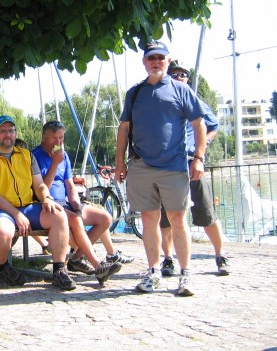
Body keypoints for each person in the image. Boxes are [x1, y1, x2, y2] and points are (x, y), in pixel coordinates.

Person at [115, 41, 207, 296]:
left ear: (168, 61)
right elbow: (124, 128)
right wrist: (120, 161)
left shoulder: (181, 90)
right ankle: (153, 271)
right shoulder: (135, 93)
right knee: (149, 219)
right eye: (151, 58)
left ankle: (185, 274)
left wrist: (198, 158)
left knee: (178, 219)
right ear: (144, 62)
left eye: (160, 58)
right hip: (141, 165)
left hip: (173, 166)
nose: (156, 62)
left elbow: (199, 124)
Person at [0, 115, 76, 291]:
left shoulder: (27, 155)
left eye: (11, 130)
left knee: (59, 215)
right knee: (1, 232)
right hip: (1, 209)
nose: (8, 134)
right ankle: (4, 268)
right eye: (2, 131)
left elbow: (39, 185)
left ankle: (59, 270)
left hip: (29, 206)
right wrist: (16, 214)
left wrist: (46, 197)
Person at [32, 120, 128, 284]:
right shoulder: (35, 156)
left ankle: (76, 259)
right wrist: (54, 164)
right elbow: (42, 188)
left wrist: (77, 205)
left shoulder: (64, 156)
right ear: (44, 138)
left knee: (105, 218)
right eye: (54, 138)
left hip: (65, 203)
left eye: (61, 138)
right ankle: (98, 267)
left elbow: (70, 186)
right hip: (46, 204)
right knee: (76, 220)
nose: (58, 142)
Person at [160, 60, 230, 276]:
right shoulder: (162, 100)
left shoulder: (194, 100)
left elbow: (213, 125)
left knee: (206, 211)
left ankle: (220, 255)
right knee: (166, 217)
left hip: (192, 163)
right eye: (174, 74)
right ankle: (168, 259)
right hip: (168, 166)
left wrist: (202, 147)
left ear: (187, 79)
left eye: (182, 74)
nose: (178, 78)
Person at [15, 138, 50, 255]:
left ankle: (49, 246)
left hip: (32, 203)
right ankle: (45, 244)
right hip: (19, 207)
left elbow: (40, 186)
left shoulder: (29, 165)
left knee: (59, 216)